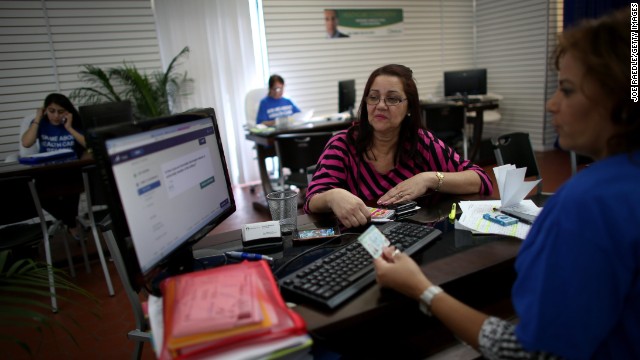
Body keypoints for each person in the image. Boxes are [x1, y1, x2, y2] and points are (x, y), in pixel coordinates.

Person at [374, 7, 640, 359]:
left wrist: (421, 289)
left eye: (567, 89)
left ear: (618, 101)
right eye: (374, 97)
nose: (551, 104)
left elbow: (527, 352)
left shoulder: (587, 203)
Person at [304, 64, 493, 228]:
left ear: (409, 107)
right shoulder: (342, 145)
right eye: (373, 97)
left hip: (417, 244)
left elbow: (481, 179)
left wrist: (429, 179)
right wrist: (332, 196)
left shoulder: (422, 143)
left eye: (392, 99)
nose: (380, 105)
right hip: (359, 246)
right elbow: (312, 200)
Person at [21, 93, 87, 239]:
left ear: (67, 111)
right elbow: (26, 142)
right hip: (47, 171)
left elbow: (88, 144)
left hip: (70, 170)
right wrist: (37, 118)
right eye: (51, 111)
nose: (55, 116)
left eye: (60, 111)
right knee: (37, 196)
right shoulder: (41, 123)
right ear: (45, 110)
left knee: (70, 189)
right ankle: (72, 223)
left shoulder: (74, 122)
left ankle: (71, 223)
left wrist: (69, 128)